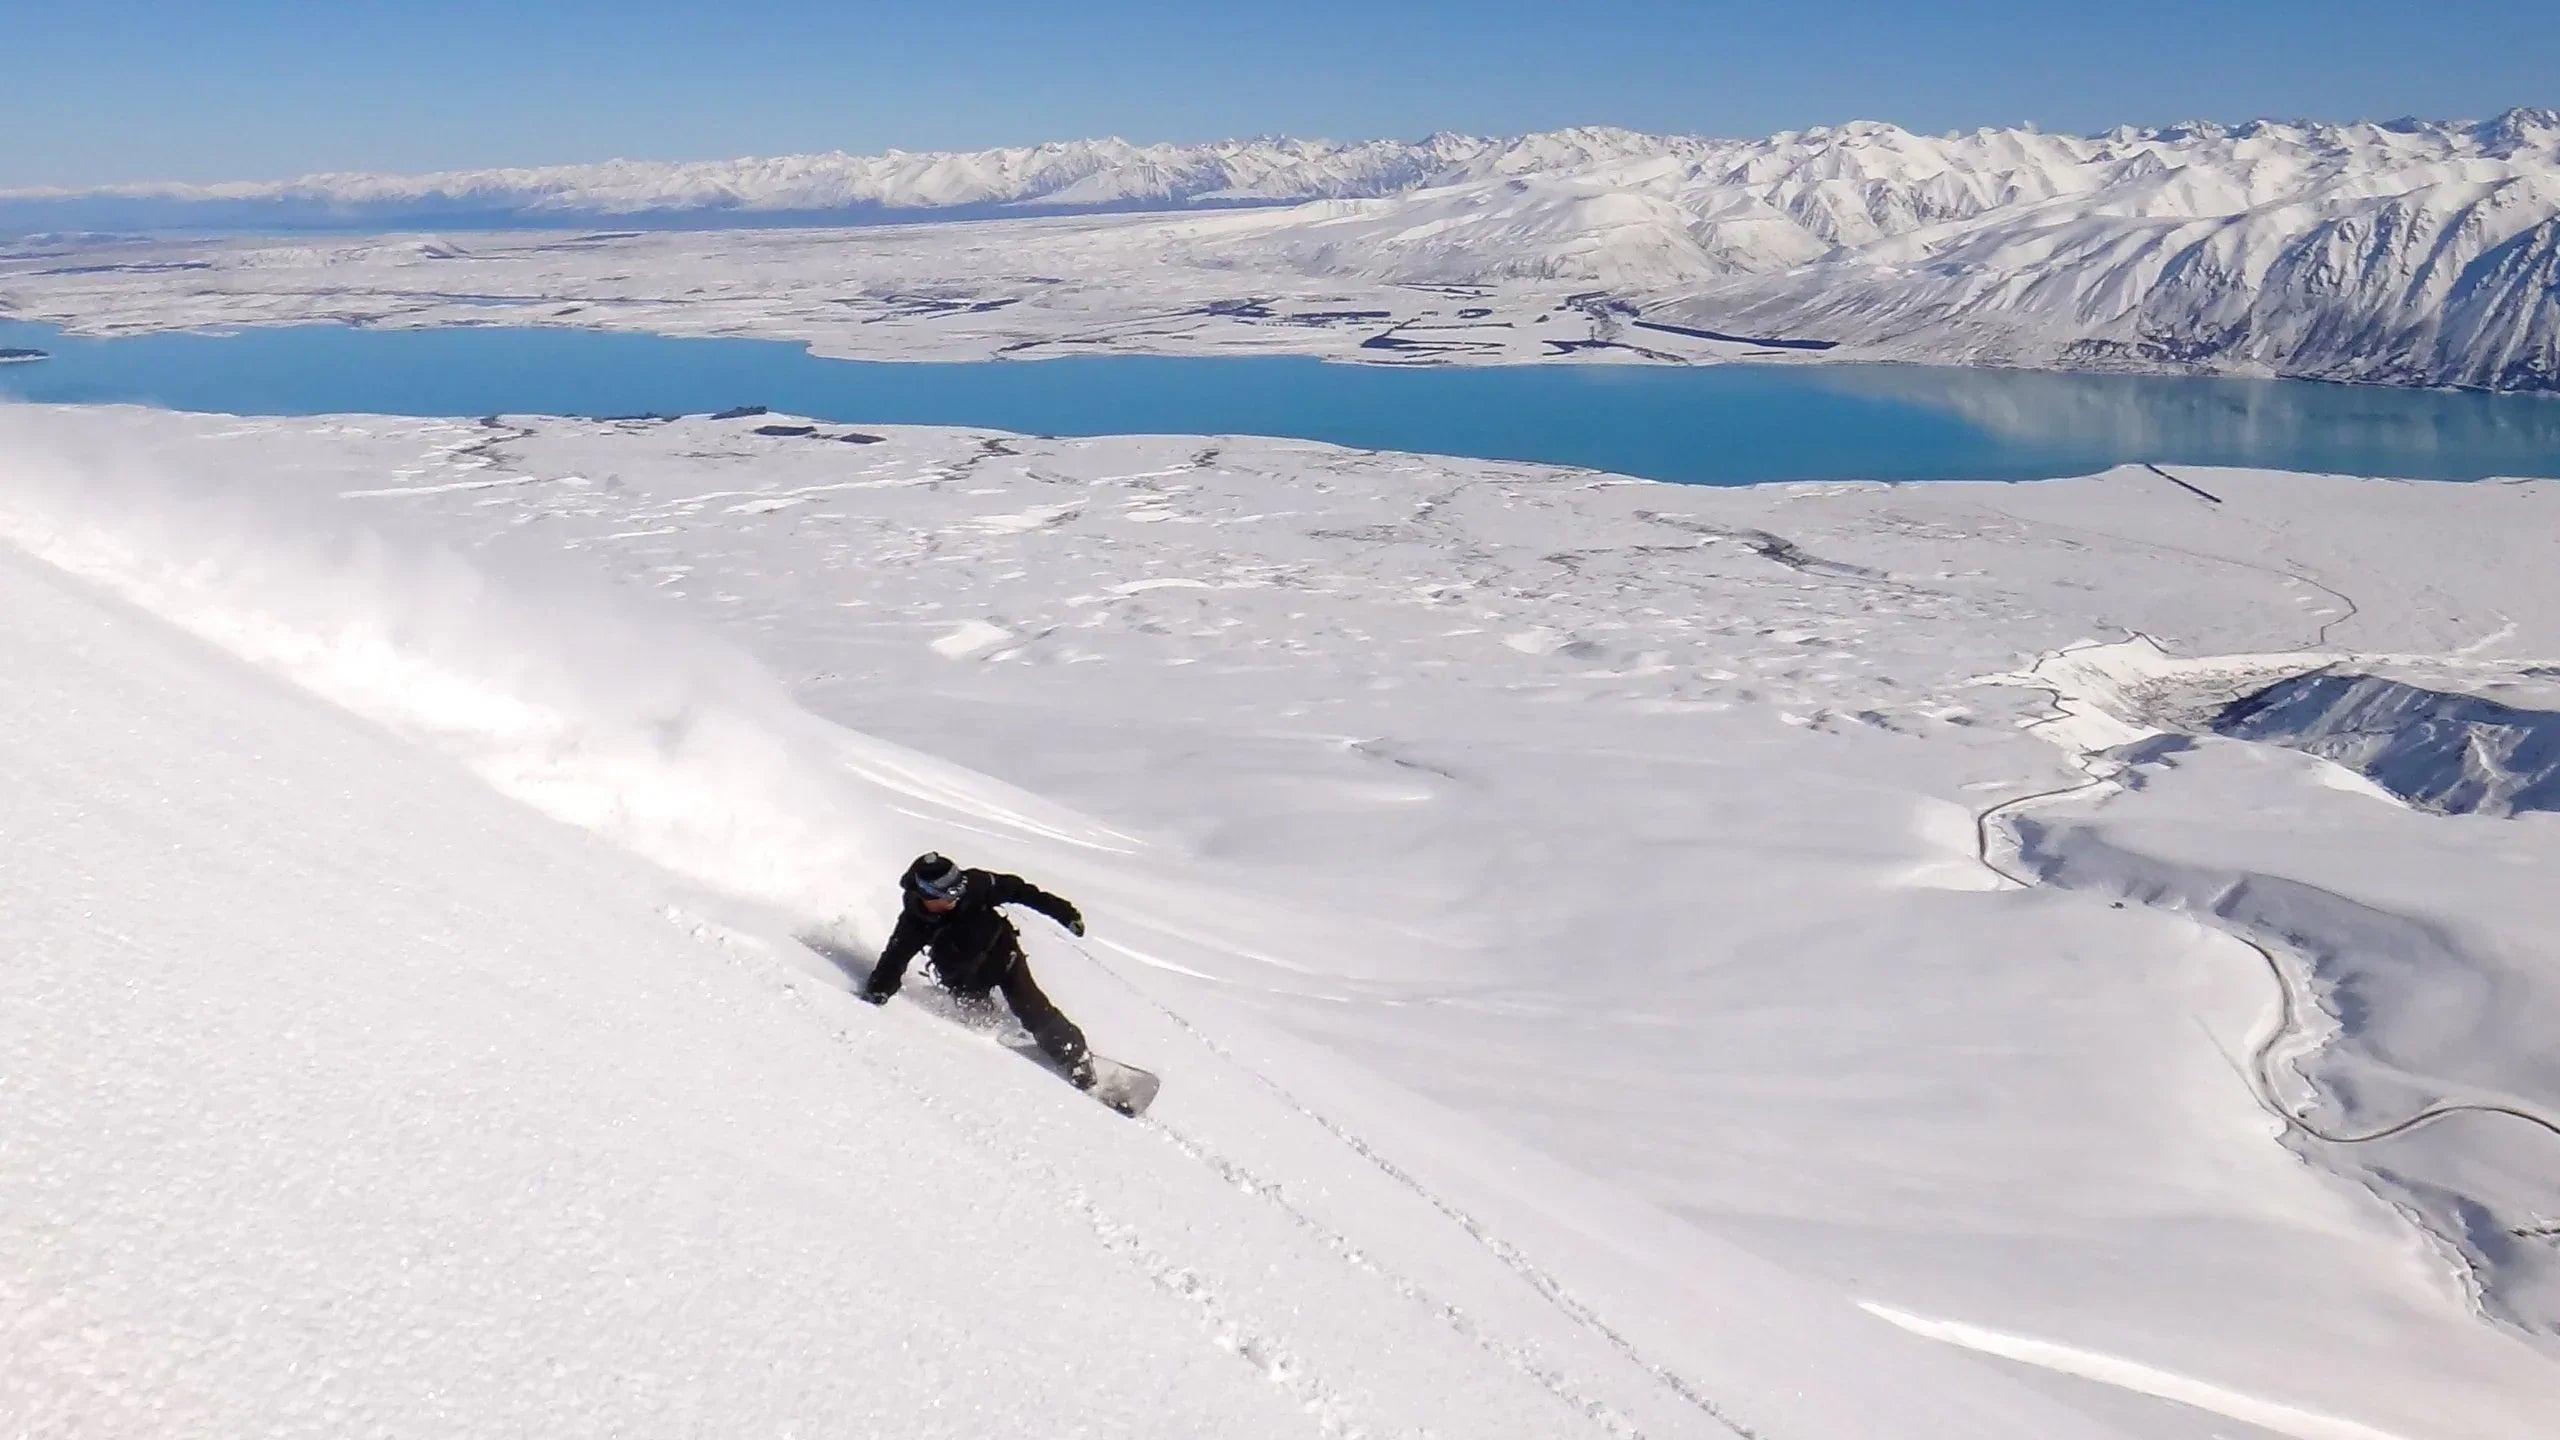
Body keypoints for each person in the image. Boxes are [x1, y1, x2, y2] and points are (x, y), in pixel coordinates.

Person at [861, 852, 1095, 1088]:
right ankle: (1008, 1036)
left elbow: (1021, 891)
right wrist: (878, 990)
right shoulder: (913, 923)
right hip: (961, 978)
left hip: (1003, 956)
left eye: (958, 889)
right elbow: (893, 959)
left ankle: (1075, 1057)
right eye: (948, 894)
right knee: (979, 1019)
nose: (955, 898)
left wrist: (1065, 914)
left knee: (1030, 1005)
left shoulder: (976, 885)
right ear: (926, 894)